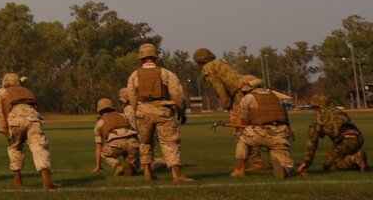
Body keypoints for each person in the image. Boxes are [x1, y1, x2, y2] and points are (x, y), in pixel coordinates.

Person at [126, 43, 194, 182]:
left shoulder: (134, 75)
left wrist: (136, 111)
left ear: (141, 57)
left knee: (145, 142)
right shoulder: (165, 73)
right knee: (170, 142)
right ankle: (176, 175)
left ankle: (148, 173)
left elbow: (132, 97)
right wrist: (181, 111)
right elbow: (177, 94)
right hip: (163, 111)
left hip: (142, 111)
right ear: (156, 56)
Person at [194, 47, 265, 172]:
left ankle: (250, 162)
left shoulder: (208, 68)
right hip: (244, 91)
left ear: (199, 62)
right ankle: (254, 160)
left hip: (238, 95)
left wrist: (226, 104)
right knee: (249, 126)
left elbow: (219, 87)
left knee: (240, 129)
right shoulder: (220, 63)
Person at [0, 73, 59, 188]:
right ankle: (46, 181)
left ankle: (17, 181)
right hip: (33, 119)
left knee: (15, 147)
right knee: (39, 147)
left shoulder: (1, 92)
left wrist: (4, 130)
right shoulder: (26, 91)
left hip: (15, 120)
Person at [232, 76, 295, 178]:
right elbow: (285, 116)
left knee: (242, 138)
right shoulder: (275, 95)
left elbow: (243, 119)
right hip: (280, 135)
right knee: (284, 162)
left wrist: (238, 127)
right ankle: (284, 169)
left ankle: (239, 169)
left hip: (260, 133)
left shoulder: (248, 98)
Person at [297, 93, 368, 174]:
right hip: (358, 138)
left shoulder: (319, 116)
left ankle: (354, 158)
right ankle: (358, 160)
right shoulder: (338, 111)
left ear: (316, 106)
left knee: (329, 166)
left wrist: (306, 163)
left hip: (345, 140)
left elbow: (312, 141)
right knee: (340, 157)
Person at [93, 97, 140, 177]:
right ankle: (131, 166)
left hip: (116, 143)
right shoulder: (123, 116)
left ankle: (118, 167)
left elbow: (99, 146)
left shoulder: (100, 123)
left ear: (99, 110)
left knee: (104, 153)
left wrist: (98, 165)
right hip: (132, 141)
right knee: (131, 157)